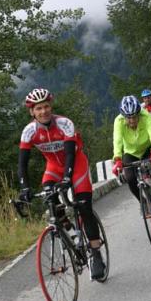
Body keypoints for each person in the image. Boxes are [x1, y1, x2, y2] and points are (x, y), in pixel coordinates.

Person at [17, 88, 106, 279]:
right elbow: (22, 163)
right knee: (52, 204)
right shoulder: (29, 131)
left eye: (46, 106)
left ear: (51, 106)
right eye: (39, 108)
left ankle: (96, 254)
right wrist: (24, 187)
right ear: (32, 111)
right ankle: (71, 232)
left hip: (76, 165)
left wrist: (67, 178)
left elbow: (70, 154)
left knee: (84, 208)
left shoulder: (64, 124)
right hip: (53, 168)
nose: (44, 111)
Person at [112, 95, 151, 213]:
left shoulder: (145, 116)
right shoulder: (118, 121)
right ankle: (143, 202)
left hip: (148, 148)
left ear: (139, 113)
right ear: (124, 117)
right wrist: (117, 159)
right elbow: (117, 140)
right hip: (130, 152)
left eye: (134, 117)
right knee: (130, 178)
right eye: (129, 118)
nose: (132, 120)